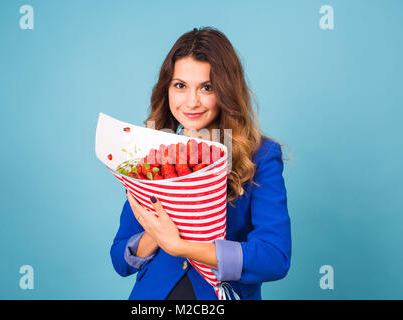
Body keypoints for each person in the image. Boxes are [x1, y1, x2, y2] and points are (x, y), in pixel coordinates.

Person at [110, 27, 291, 300]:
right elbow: (120, 259)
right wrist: (155, 235)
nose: (191, 102)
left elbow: (274, 257)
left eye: (207, 87)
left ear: (226, 91)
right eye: (180, 85)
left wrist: (182, 246)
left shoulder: (261, 155)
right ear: (167, 89)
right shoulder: (151, 152)